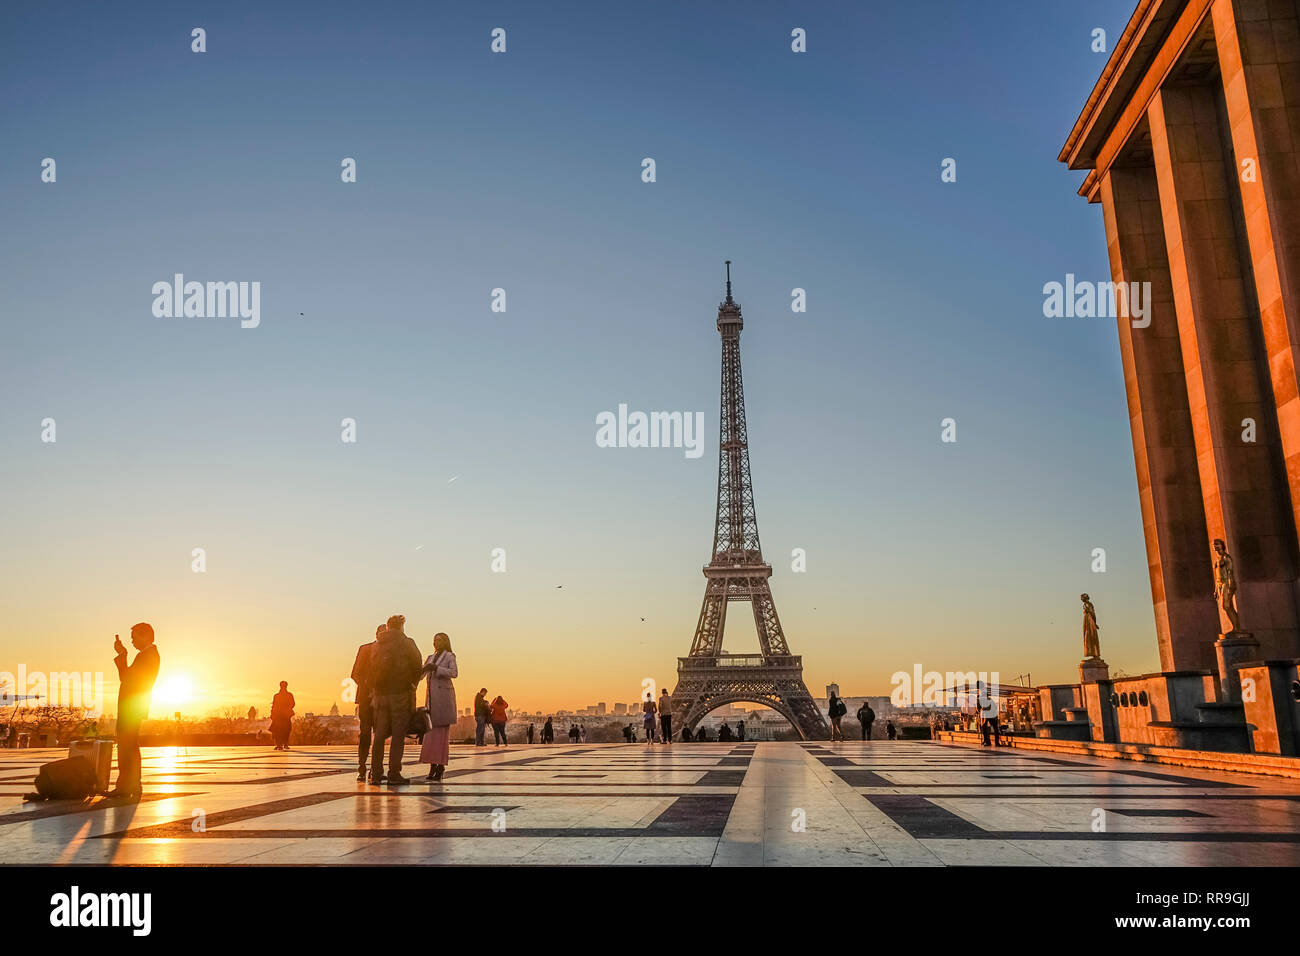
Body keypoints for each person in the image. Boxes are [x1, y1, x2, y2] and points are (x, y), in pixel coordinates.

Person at [369, 614, 422, 786]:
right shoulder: (407, 642)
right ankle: (394, 772)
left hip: (380, 695)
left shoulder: (377, 644)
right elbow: (417, 666)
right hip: (400, 694)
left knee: (379, 736)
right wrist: (412, 684)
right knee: (398, 735)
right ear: (401, 627)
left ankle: (375, 773)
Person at [109, 623, 160, 800]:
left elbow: (126, 679)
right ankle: (131, 784)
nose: (132, 641)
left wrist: (122, 655)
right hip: (133, 706)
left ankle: (127, 785)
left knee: (127, 746)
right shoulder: (146, 655)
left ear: (146, 636)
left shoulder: (148, 656)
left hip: (132, 707)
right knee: (129, 746)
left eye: (134, 637)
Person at [419, 632, 458, 782]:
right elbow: (421, 675)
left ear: (445, 642)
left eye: (439, 640)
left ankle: (440, 766)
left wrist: (436, 668)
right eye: (434, 640)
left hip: (443, 700)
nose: (436, 643)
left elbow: (454, 673)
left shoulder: (449, 656)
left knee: (441, 736)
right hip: (431, 700)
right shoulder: (430, 657)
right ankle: (432, 765)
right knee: (430, 736)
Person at [351, 625, 382, 781]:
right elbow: (355, 673)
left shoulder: (389, 651)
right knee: (365, 733)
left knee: (378, 734)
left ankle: (375, 768)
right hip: (366, 697)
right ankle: (362, 766)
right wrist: (368, 687)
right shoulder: (365, 649)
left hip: (381, 698)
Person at [270, 681, 295, 750]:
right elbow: (292, 704)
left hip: (282, 715)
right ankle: (281, 744)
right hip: (281, 715)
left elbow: (292, 704)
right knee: (282, 730)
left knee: (282, 730)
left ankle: (281, 744)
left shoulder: (278, 696)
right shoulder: (285, 695)